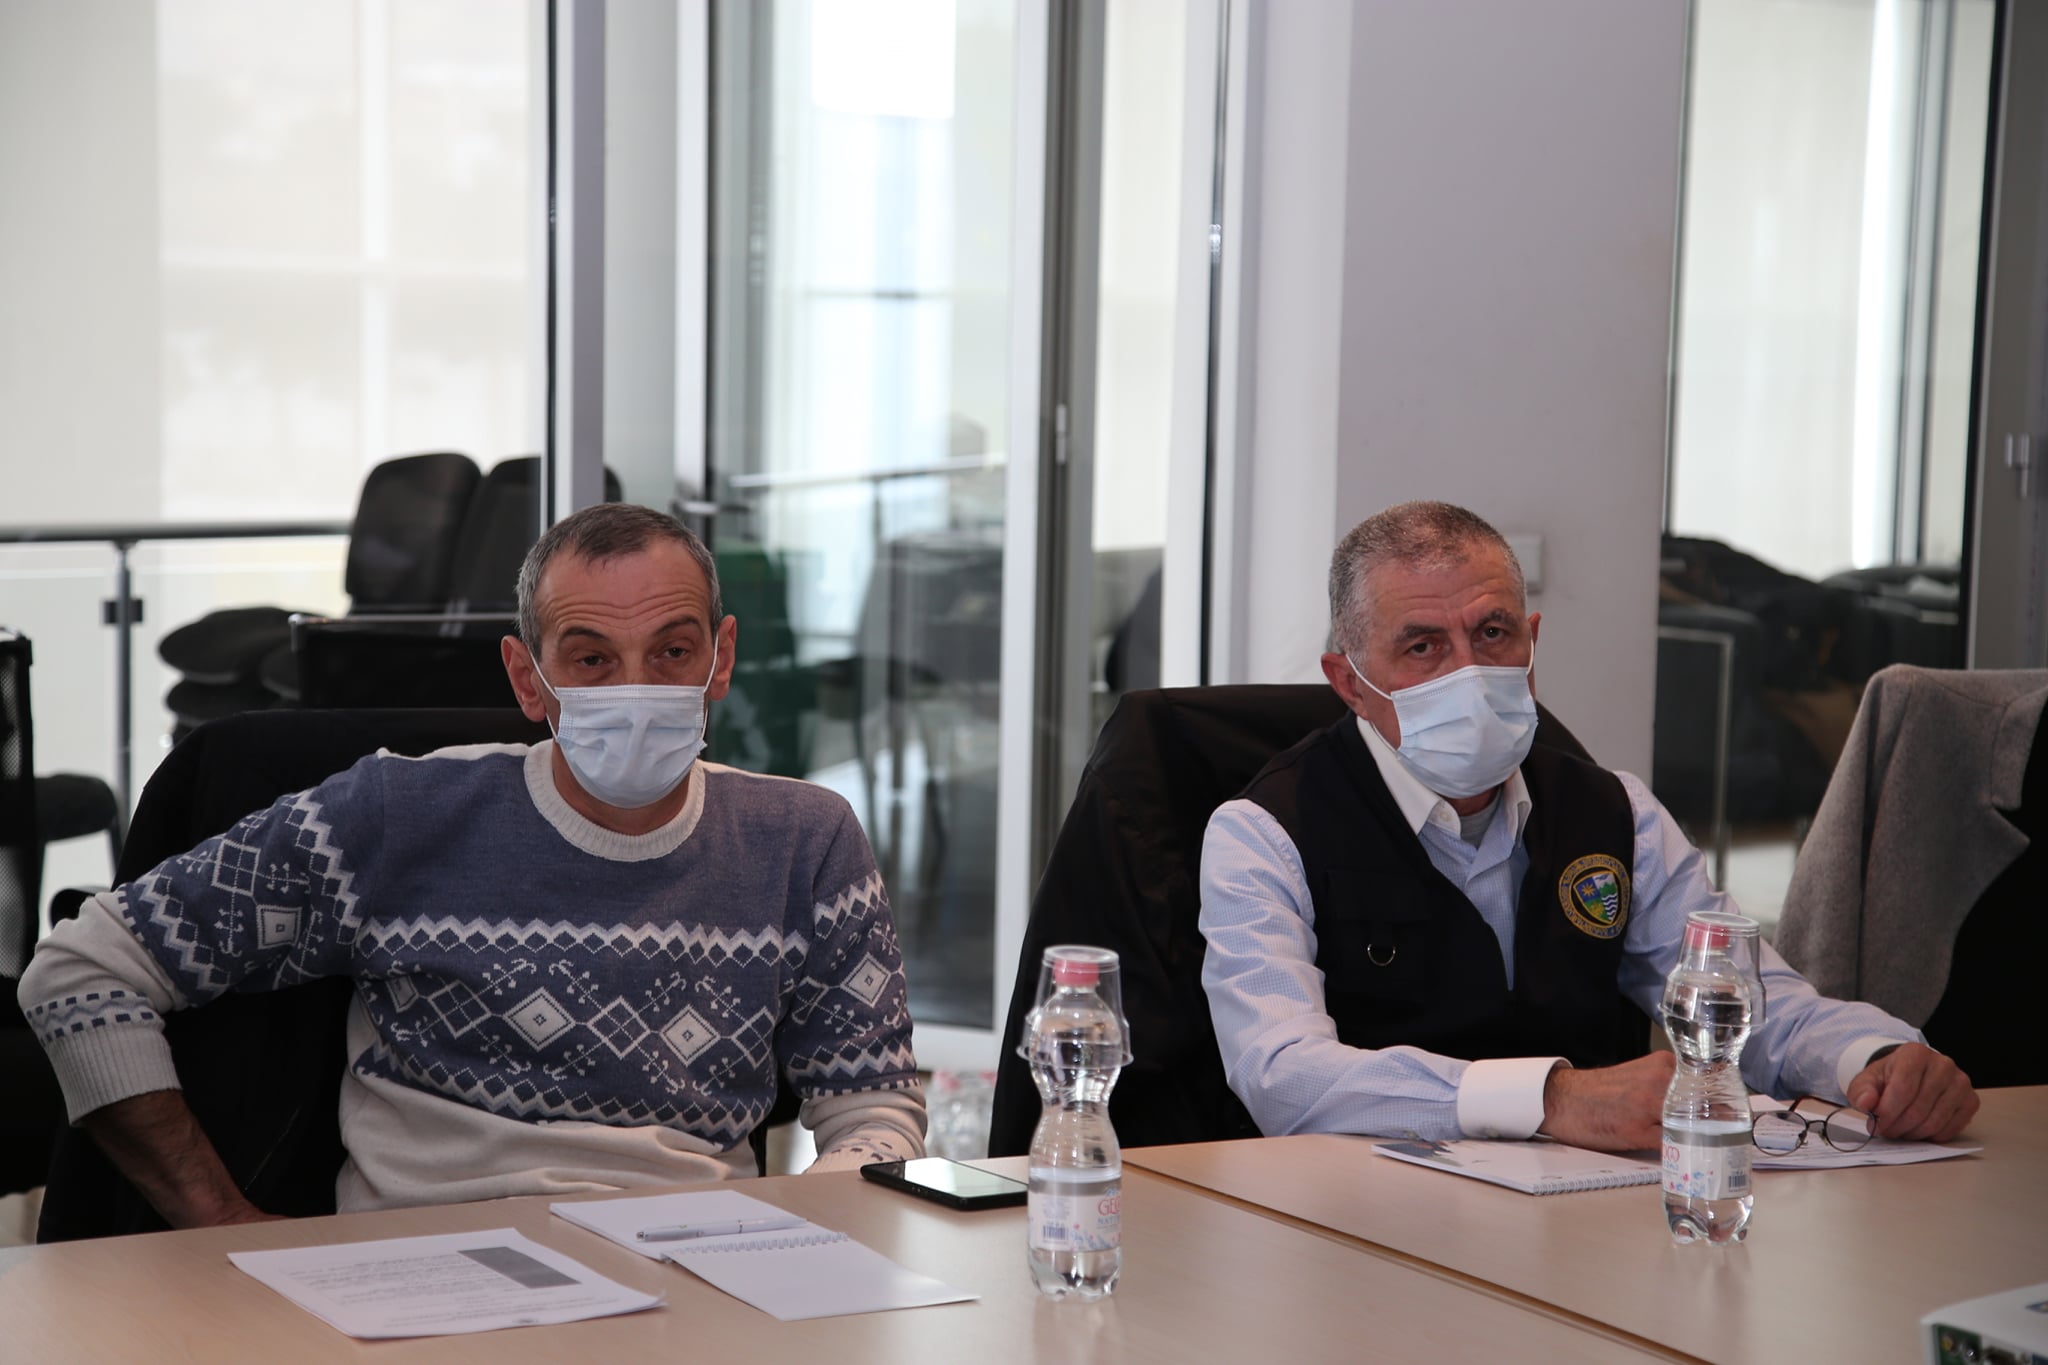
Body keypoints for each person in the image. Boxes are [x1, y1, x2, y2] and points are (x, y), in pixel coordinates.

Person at [20, 503, 925, 1227]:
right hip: (431, 1268)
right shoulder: (397, 816)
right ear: (529, 678)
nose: (636, 687)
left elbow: (872, 1103)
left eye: (672, 651)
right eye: (592, 658)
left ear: (720, 659)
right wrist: (218, 1224)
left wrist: (805, 1231)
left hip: (695, 1266)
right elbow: (81, 971)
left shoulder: (804, 838)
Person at [1198, 501, 1977, 1153]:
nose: (1469, 672)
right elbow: (1282, 1073)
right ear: (1349, 682)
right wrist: (1549, 1097)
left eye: (1493, 633)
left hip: (1591, 1211)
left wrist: (1873, 1054)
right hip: (1364, 1219)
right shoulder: (1265, 834)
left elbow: (1742, 1001)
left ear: (1532, 640)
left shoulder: (1615, 812)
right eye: (1423, 646)